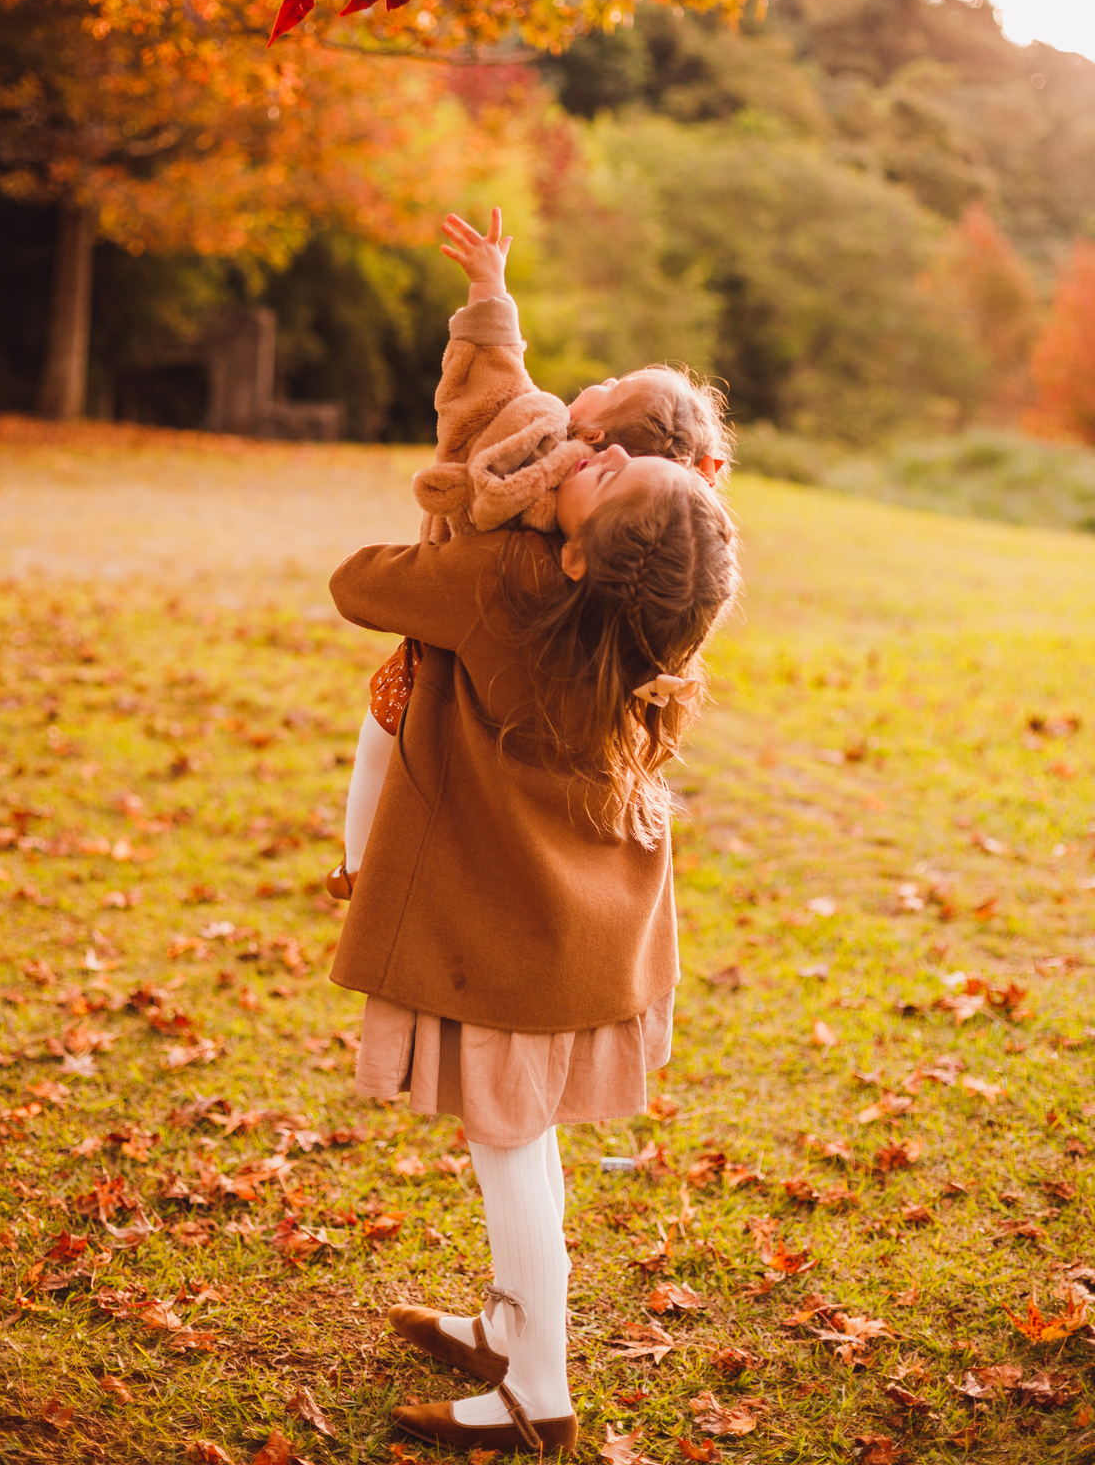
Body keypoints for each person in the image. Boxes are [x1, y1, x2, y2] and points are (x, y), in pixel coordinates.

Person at [327, 393, 740, 1456]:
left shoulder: (508, 586)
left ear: (578, 557)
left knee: (507, 1145)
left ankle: (538, 1392)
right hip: (579, 934)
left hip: (515, 941)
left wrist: (486, 514)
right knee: (522, 1136)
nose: (596, 453)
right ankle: (511, 1328)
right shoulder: (636, 623)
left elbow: (358, 583)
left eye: (610, 470)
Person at [329, 208, 731, 901]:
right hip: (549, 874)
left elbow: (357, 582)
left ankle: (358, 868)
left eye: (611, 391)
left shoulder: (509, 562)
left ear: (598, 444)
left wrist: (491, 294)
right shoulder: (643, 603)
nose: (595, 389)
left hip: (436, 718)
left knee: (382, 738)